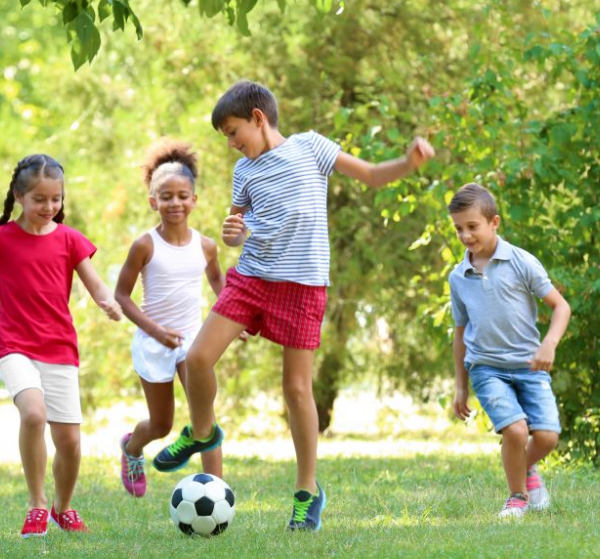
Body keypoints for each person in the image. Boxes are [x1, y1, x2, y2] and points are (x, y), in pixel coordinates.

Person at [153, 80, 435, 531]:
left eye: (232, 131)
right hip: (251, 278)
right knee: (199, 357)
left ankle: (307, 492)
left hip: (302, 286)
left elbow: (369, 174)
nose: (230, 144)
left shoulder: (311, 148)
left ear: (258, 119)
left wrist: (407, 162)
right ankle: (201, 432)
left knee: (296, 390)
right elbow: (240, 227)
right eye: (224, 136)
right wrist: (233, 235)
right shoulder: (244, 172)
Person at [0, 154, 122, 538]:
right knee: (33, 414)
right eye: (39, 199)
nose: (49, 207)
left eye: (56, 199)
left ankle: (62, 507)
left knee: (69, 441)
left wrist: (108, 301)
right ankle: (36, 505)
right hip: (12, 343)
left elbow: (94, 281)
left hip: (58, 347)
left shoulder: (69, 239)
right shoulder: (3, 239)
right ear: (19, 196)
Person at [448, 182, 571, 518]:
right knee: (515, 430)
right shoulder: (458, 277)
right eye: (459, 228)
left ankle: (525, 469)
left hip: (530, 364)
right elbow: (460, 333)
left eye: (472, 226)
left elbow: (561, 307)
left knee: (547, 437)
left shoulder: (521, 262)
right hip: (486, 367)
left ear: (494, 222)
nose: (465, 235)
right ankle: (517, 496)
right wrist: (461, 386)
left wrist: (549, 344)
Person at [115, 139, 228, 497]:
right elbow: (122, 296)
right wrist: (155, 330)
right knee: (162, 425)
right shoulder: (145, 245)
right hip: (153, 341)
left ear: (194, 199)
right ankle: (132, 448)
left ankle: (218, 489)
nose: (175, 203)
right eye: (166, 196)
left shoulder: (206, 246)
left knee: (204, 417)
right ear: (153, 201)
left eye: (182, 195)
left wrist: (232, 318)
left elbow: (217, 281)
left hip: (193, 342)